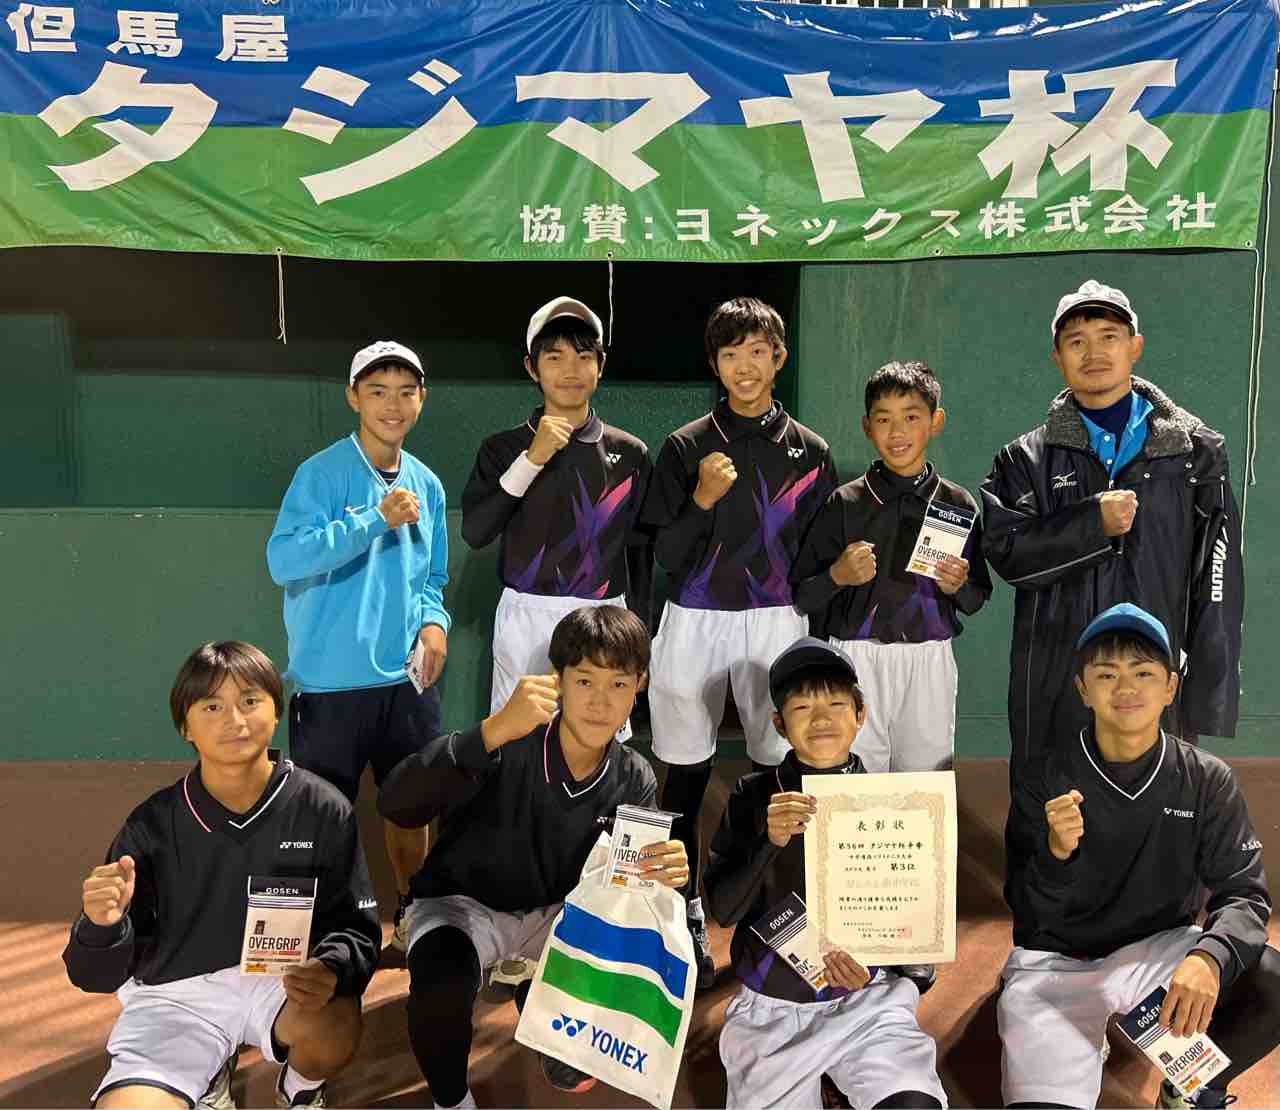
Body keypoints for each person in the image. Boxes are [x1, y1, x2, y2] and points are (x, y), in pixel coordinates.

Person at [379, 605, 688, 1108]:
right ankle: (450, 1100)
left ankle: (533, 989)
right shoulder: (508, 738)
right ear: (556, 680)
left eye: (618, 684)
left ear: (640, 685)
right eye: (584, 681)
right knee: (440, 991)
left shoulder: (634, 775)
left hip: (557, 915)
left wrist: (667, 873)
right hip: (464, 904)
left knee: (577, 1062)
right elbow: (396, 803)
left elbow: (629, 890)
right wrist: (490, 732)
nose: (600, 701)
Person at [64, 641, 380, 1110]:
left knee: (334, 1025)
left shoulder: (322, 808)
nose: (235, 719)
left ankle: (301, 1089)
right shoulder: (151, 826)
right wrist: (101, 926)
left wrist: (330, 968)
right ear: (185, 726)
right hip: (176, 997)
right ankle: (207, 1074)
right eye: (212, 706)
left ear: (277, 711)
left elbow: (356, 927)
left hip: (280, 982)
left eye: (250, 700)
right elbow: (92, 975)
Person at [1000, 603, 1279, 1109]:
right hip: (1058, 964)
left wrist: (1209, 957)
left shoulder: (1205, 779)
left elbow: (1245, 894)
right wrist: (1057, 855)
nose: (1125, 687)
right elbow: (1028, 912)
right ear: (1083, 689)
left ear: (1170, 687)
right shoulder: (1045, 778)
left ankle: (1191, 1087)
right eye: (1106, 674)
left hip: (1158, 949)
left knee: (1272, 982)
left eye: (1143, 673)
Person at [639, 295, 837, 988]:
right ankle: (683, 912)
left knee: (776, 768)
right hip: (693, 615)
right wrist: (700, 498)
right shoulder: (686, 446)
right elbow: (666, 553)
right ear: (715, 364)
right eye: (730, 354)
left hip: (775, 616)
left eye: (758, 351)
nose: (745, 366)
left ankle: (768, 905)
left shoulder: (811, 451)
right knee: (683, 773)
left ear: (779, 357)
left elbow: (815, 559)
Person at [981, 279, 1242, 779]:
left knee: (1159, 807)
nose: (1093, 352)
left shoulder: (1195, 452)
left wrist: (1208, 692)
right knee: (1051, 810)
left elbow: (1218, 577)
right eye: (1076, 341)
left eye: (1108, 337)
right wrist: (1091, 524)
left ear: (1134, 347)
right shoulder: (1023, 459)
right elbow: (1008, 552)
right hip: (1056, 678)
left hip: (1156, 676)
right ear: (1057, 357)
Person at [704, 637, 947, 1110]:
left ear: (860, 715)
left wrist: (877, 960)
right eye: (802, 707)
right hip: (773, 1008)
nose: (820, 719)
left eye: (836, 704)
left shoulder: (894, 801)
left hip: (865, 1000)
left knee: (914, 1106)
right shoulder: (753, 795)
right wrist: (767, 843)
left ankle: (842, 1083)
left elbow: (910, 920)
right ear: (779, 723)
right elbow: (722, 910)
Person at [267, 339, 451, 951]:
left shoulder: (428, 483)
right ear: (353, 398)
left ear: (422, 400)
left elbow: (432, 579)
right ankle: (324, 939)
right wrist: (375, 518)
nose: (392, 405)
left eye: (405, 392)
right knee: (320, 818)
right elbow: (284, 560)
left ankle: (412, 917)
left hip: (405, 684)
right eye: (377, 391)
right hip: (329, 687)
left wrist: (434, 625)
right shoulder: (320, 474)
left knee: (410, 809)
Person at [461, 296, 652, 737]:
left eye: (584, 356)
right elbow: (476, 531)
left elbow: (641, 549)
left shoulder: (630, 453)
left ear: (600, 366)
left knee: (600, 738)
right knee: (519, 739)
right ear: (532, 368)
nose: (571, 370)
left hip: (605, 616)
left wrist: (641, 634)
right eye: (555, 357)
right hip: (526, 612)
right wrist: (532, 458)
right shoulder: (502, 448)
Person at [792, 359, 991, 775]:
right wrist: (837, 575)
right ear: (867, 427)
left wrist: (957, 585)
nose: (897, 432)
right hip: (856, 657)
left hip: (929, 659)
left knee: (926, 780)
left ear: (936, 422)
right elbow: (803, 596)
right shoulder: (844, 503)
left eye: (911, 417)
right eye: (884, 419)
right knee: (856, 779)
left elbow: (976, 598)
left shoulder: (956, 503)